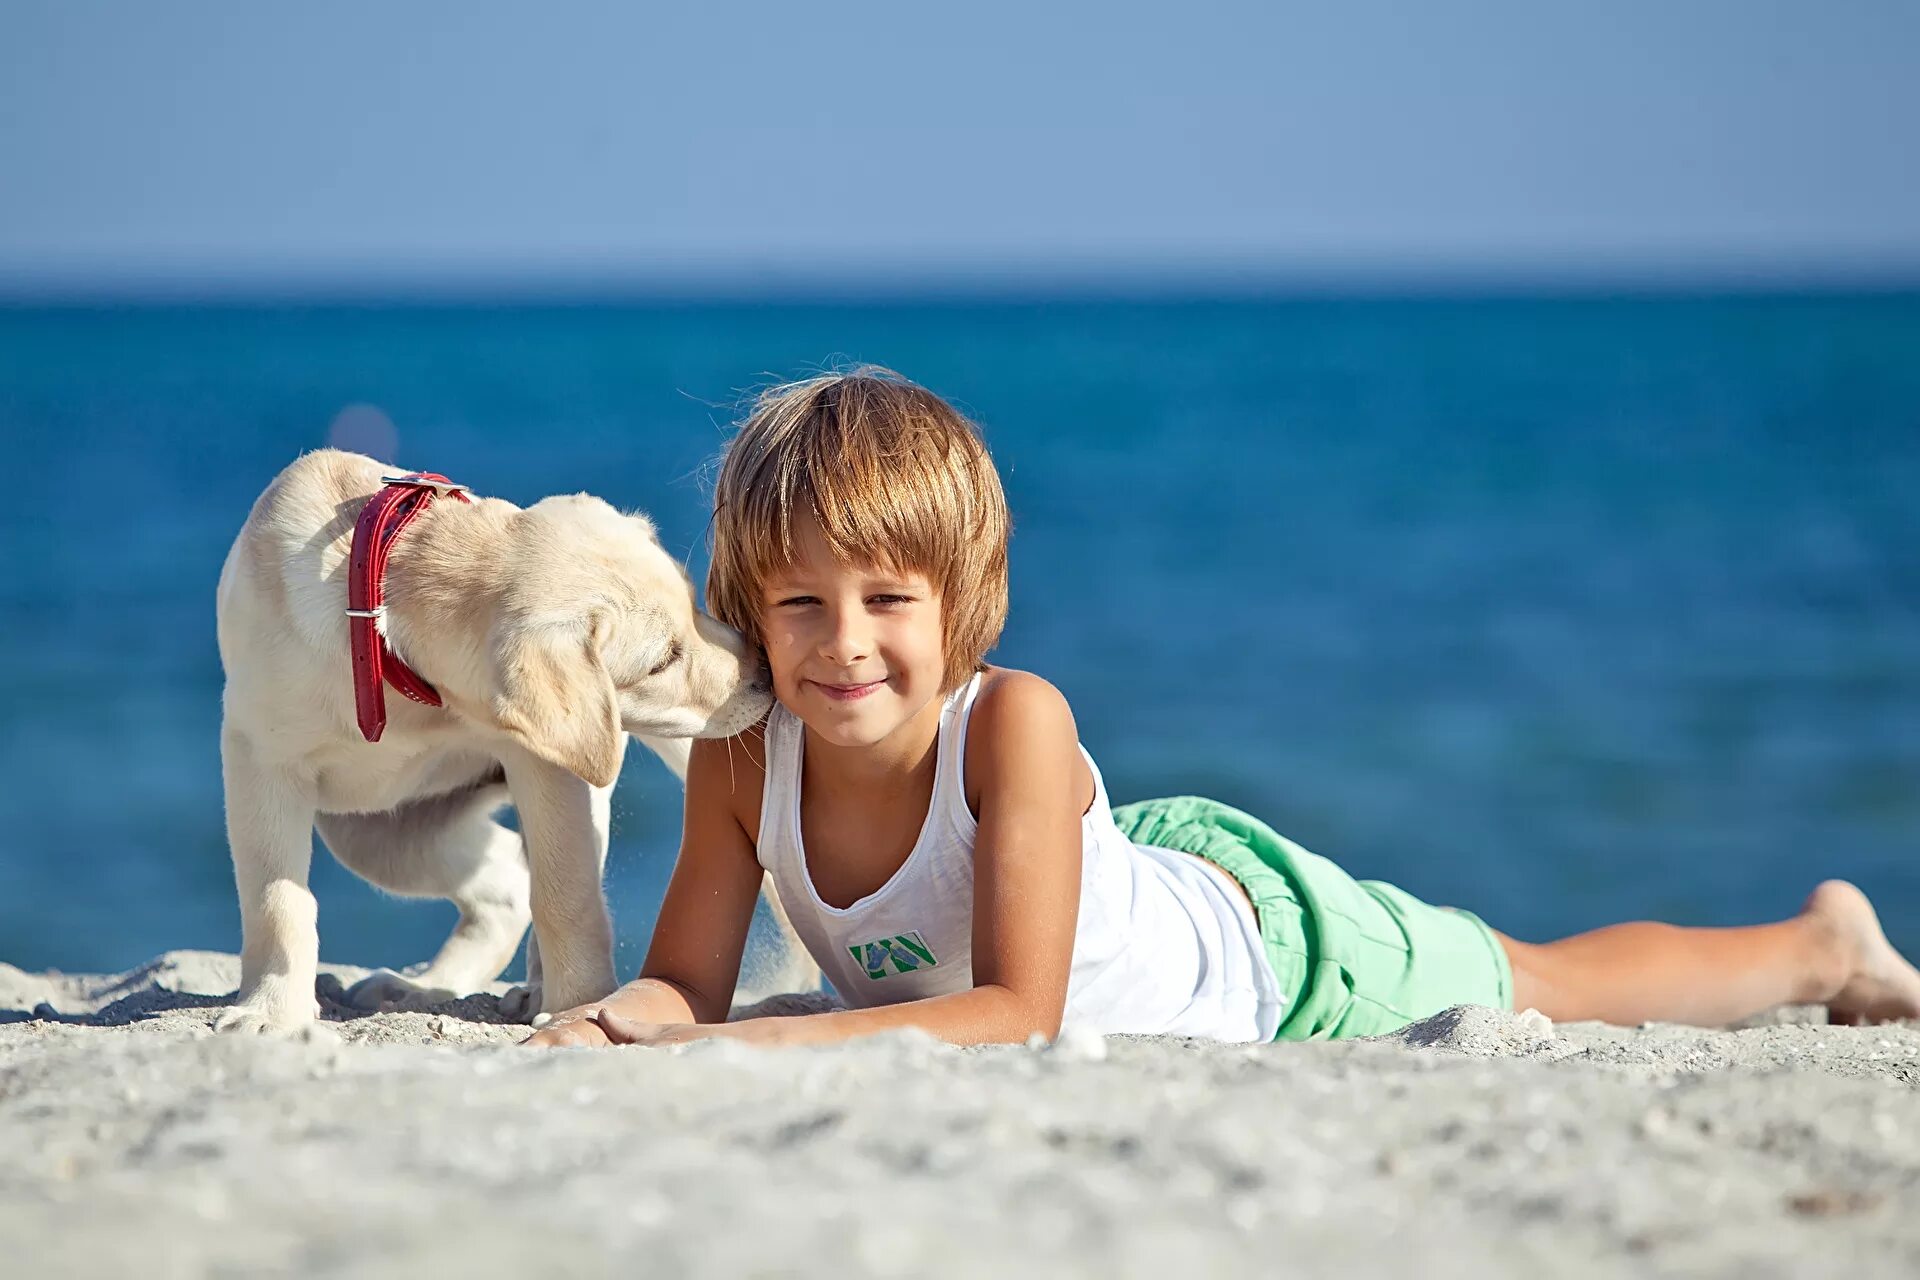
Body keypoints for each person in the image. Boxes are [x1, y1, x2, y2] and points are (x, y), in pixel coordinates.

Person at [527, 368, 1920, 1049]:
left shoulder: (1010, 723)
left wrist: (764, 1046)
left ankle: (1815, 949)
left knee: (1545, 984)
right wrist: (628, 1021)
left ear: (961, 602)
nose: (844, 647)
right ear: (748, 606)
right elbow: (685, 990)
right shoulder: (740, 762)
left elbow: (1017, 1013)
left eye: (888, 600)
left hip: (1273, 956)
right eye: (801, 605)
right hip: (1121, 866)